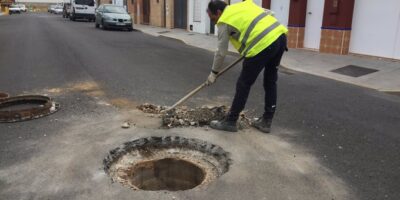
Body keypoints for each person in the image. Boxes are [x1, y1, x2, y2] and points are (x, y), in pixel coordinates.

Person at [206, 0, 288, 133]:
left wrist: (214, 73)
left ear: (219, 13)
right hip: (280, 37)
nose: (213, 22)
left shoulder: (224, 21)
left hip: (262, 45)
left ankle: (231, 121)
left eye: (213, 18)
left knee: (243, 83)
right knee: (270, 81)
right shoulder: (244, 5)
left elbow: (221, 52)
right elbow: (270, 13)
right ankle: (266, 121)